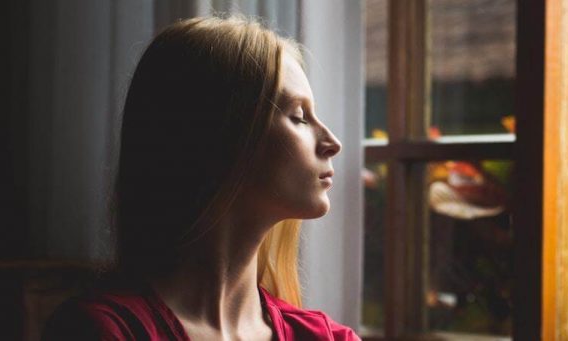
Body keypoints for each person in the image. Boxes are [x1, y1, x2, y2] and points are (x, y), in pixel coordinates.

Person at [42, 15, 357, 340]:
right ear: (220, 135)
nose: (333, 142)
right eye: (300, 117)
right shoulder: (101, 331)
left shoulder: (330, 338)